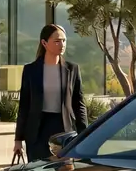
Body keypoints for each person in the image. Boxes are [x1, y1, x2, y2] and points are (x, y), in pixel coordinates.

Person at [12, 24, 88, 163]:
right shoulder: (31, 70)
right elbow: (24, 106)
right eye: (57, 41)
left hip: (64, 129)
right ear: (44, 43)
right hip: (37, 131)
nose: (62, 44)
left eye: (64, 40)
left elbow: (79, 105)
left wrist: (85, 136)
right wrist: (18, 139)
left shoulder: (72, 69)